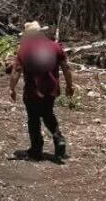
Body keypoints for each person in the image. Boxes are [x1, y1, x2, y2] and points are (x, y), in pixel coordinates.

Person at [9, 21, 73, 161]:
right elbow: (66, 67)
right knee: (48, 113)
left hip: (33, 90)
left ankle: (36, 150)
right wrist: (70, 86)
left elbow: (17, 70)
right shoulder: (55, 46)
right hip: (51, 89)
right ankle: (58, 138)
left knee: (33, 119)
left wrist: (12, 88)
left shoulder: (25, 49)